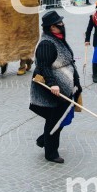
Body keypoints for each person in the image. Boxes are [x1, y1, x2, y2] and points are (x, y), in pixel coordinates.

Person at [30, 10, 82, 164]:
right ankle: (51, 153)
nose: (62, 25)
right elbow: (44, 67)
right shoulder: (46, 44)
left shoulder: (58, 39)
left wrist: (76, 83)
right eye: (59, 23)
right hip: (51, 90)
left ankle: (44, 140)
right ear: (51, 27)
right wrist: (53, 84)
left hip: (64, 88)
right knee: (55, 120)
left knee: (61, 118)